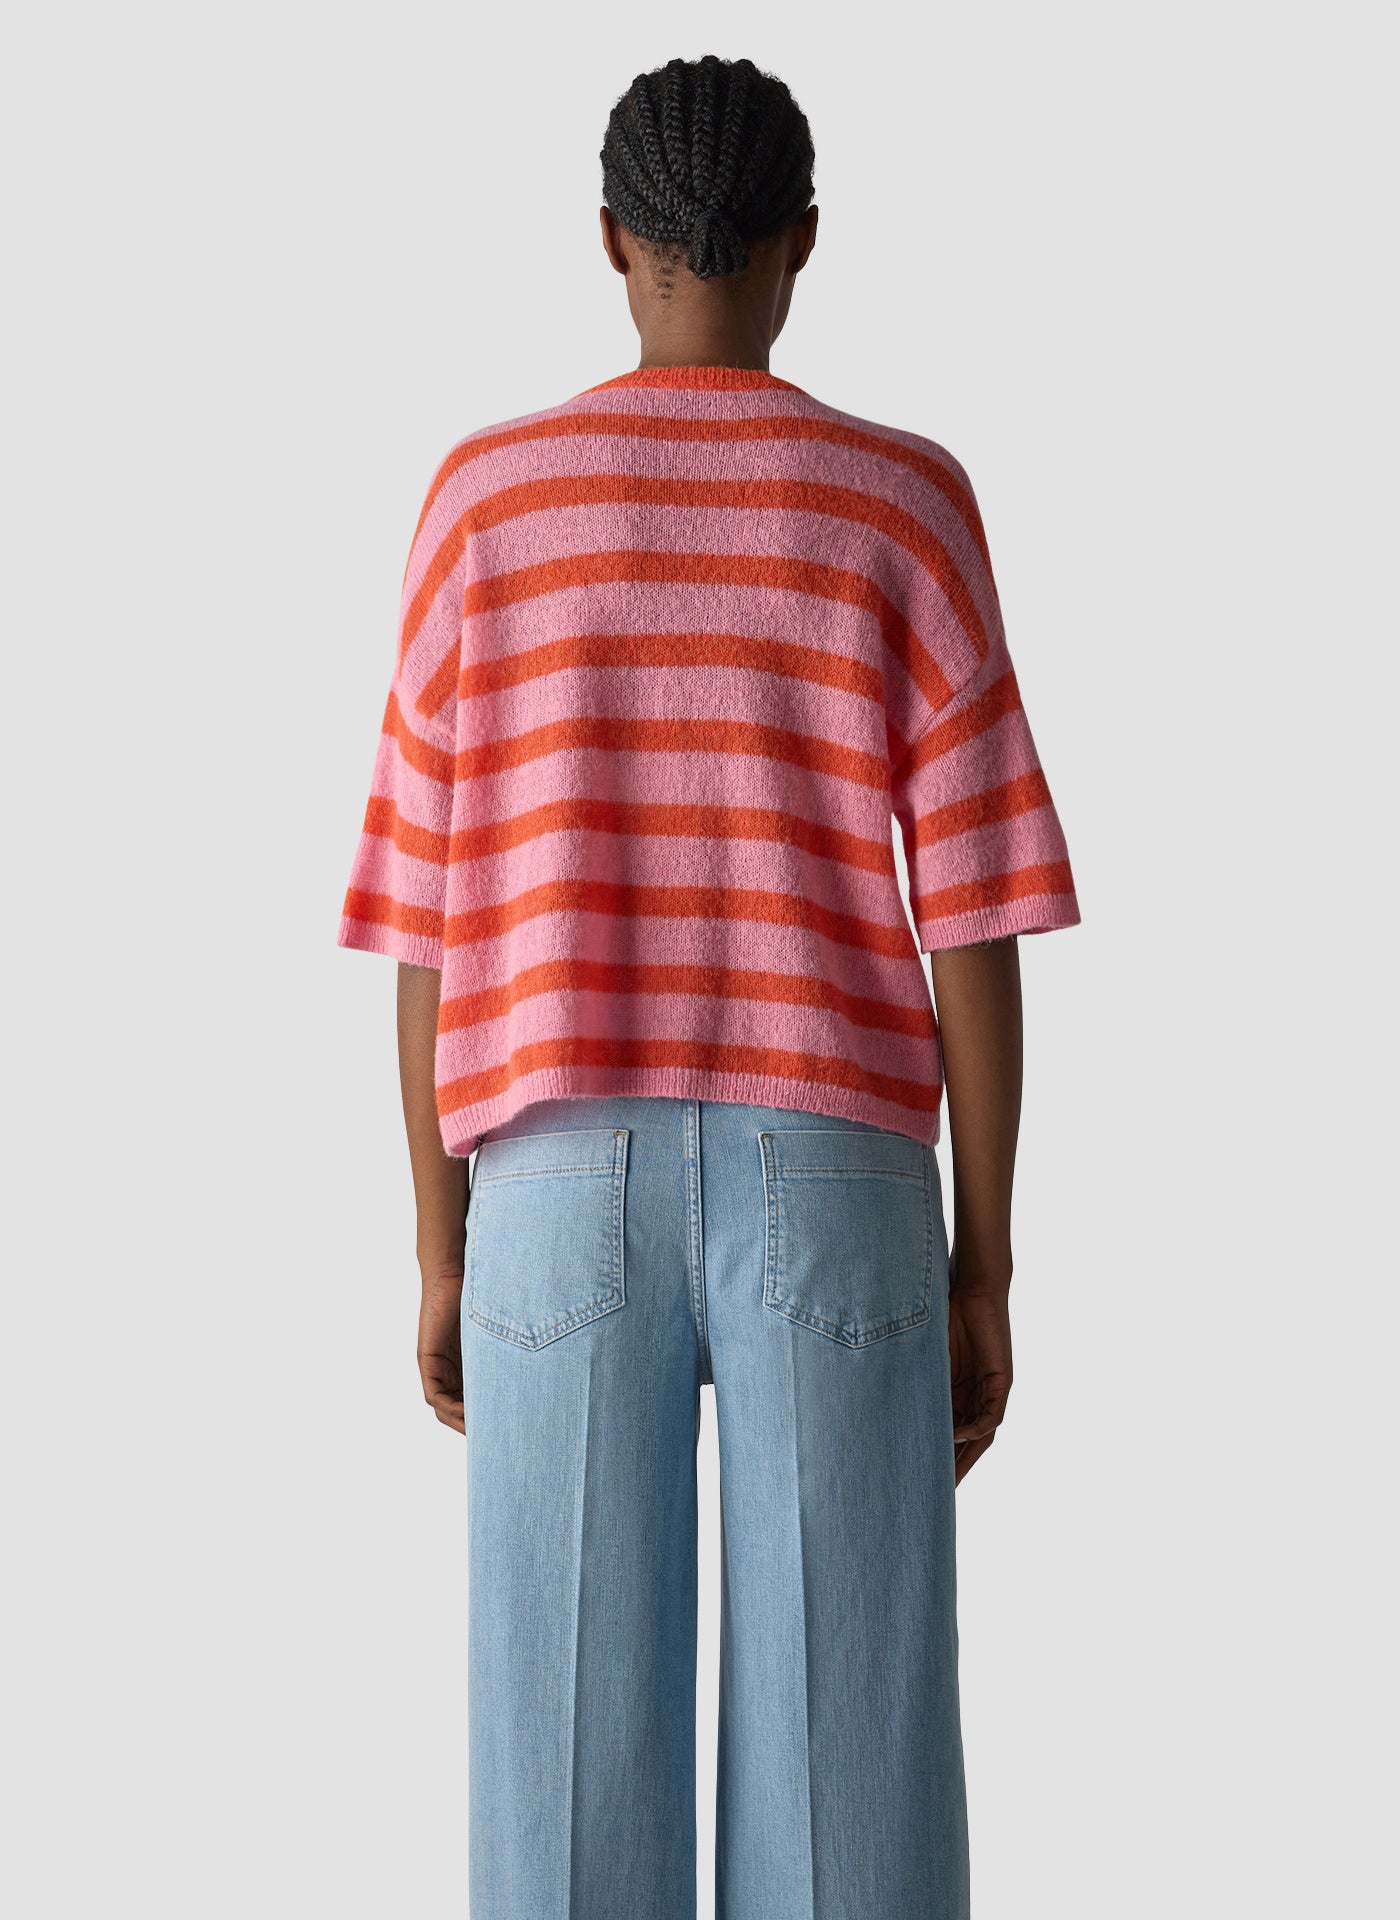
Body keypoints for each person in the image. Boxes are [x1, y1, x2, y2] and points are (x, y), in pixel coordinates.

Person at [338, 52, 1079, 1920]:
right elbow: (973, 917)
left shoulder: (487, 504)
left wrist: (435, 1241)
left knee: (561, 1788)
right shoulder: (902, 500)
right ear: (805, 241)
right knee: (855, 1800)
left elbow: (423, 920)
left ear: (610, 239)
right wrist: (986, 1256)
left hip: (548, 1172)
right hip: (835, 1171)